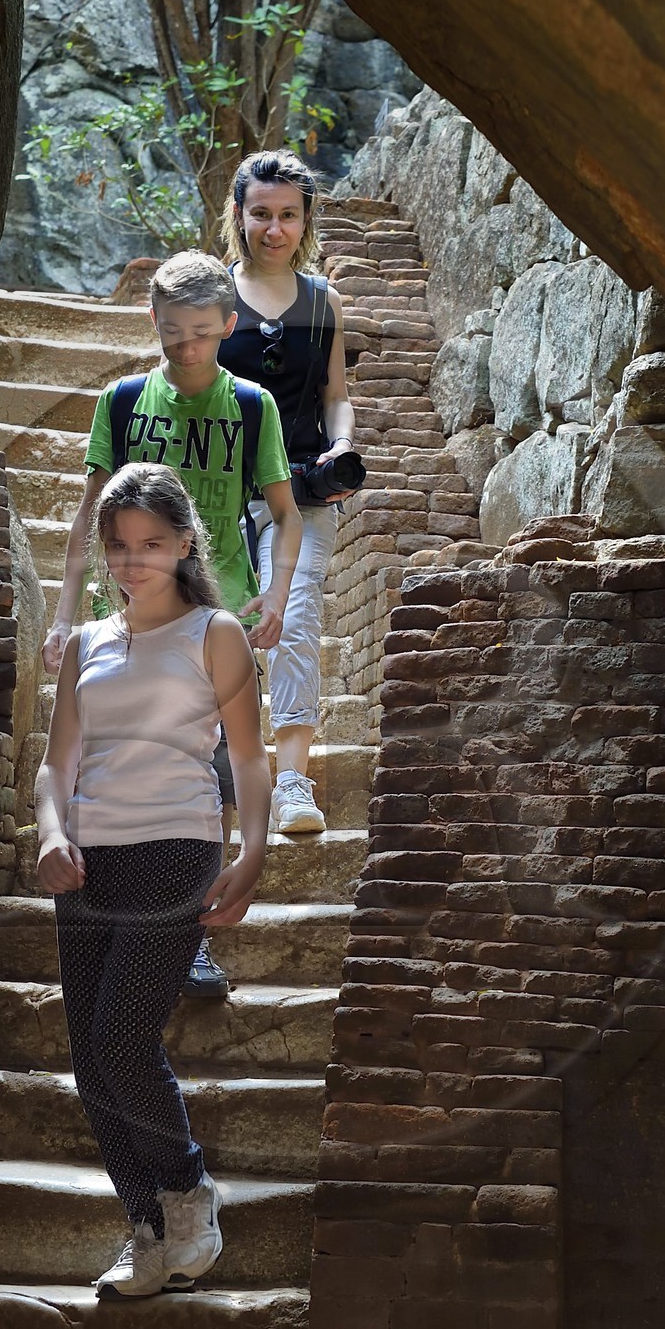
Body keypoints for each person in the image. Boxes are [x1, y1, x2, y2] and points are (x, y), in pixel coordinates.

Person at [33, 464, 271, 1299]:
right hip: (88, 860)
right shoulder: (90, 646)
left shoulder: (215, 633)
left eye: (152, 545)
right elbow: (55, 765)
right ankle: (147, 1230)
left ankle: (187, 1190)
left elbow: (247, 756)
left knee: (122, 1042)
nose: (133, 562)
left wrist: (252, 854)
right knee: (89, 1063)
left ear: (182, 546)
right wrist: (52, 832)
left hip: (177, 849)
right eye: (119, 547)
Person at [42, 249, 301, 1000]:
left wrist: (279, 594)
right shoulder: (123, 401)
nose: (183, 346)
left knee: (211, 767)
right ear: (151, 322)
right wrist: (66, 615)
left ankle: (184, 935)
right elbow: (91, 517)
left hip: (219, 616)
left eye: (199, 331)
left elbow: (285, 514)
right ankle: (108, 915)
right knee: (106, 761)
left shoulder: (254, 407)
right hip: (121, 617)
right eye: (170, 331)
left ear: (228, 324)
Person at [218, 148, 357, 837]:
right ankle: (224, 777)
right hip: (221, 494)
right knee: (232, 632)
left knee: (295, 618)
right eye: (261, 214)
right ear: (238, 215)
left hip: (302, 492)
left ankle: (293, 783)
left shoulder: (322, 300)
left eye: (288, 216)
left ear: (306, 221)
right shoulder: (210, 298)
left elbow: (336, 396)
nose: (275, 229)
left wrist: (342, 445)